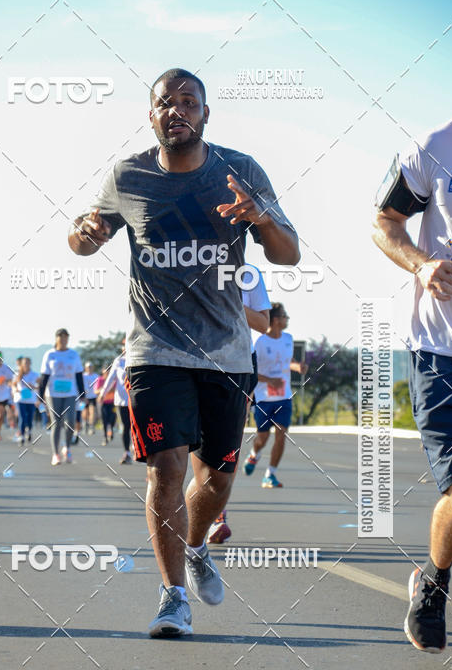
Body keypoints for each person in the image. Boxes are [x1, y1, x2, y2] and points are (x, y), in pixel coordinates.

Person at [68, 67, 299, 636]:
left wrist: (260, 217)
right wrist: (84, 234)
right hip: (154, 348)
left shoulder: (240, 171)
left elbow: (288, 254)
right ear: (151, 116)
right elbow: (81, 237)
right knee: (165, 471)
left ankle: (196, 546)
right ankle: (172, 596)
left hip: (225, 352)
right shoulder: (127, 176)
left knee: (216, 481)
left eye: (188, 102)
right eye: (164, 103)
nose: (177, 110)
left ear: (204, 114)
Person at [372, 115, 452, 657]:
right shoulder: (436, 147)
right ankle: (432, 582)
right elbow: (384, 223)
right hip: (442, 351)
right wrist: (423, 264)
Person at [208, 264, 271, 544]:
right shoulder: (186, 260)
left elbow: (262, 323)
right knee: (187, 448)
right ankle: (192, 513)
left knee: (226, 445)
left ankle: (218, 516)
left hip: (240, 363)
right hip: (189, 360)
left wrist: (228, 300)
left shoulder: (249, 273)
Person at [242, 303, 306, 488]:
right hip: (264, 398)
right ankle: (254, 454)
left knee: (281, 435)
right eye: (285, 316)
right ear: (277, 319)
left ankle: (270, 474)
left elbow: (288, 361)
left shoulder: (288, 338)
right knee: (262, 438)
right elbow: (252, 371)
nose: (287, 320)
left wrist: (298, 367)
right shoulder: (260, 343)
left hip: (284, 397)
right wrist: (270, 380)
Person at [38, 329, 84, 465]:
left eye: (66, 338)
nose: (63, 340)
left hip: (71, 393)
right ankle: (56, 454)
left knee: (70, 422)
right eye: (61, 337)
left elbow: (79, 375)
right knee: (56, 423)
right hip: (53, 394)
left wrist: (82, 394)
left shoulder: (73, 354)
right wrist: (40, 396)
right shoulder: (50, 355)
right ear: (56, 339)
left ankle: (67, 448)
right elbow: (44, 376)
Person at [99, 339, 132, 464]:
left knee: (136, 425)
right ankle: (126, 453)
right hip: (122, 400)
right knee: (125, 426)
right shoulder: (119, 361)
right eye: (124, 345)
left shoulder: (139, 358)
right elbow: (110, 379)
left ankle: (136, 448)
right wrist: (103, 393)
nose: (126, 347)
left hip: (136, 400)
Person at [12, 356, 38, 445]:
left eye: (27, 363)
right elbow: (13, 384)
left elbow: (40, 385)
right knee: (22, 418)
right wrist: (15, 389)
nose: (26, 364)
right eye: (24, 363)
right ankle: (22, 436)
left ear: (30, 364)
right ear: (22, 364)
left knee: (30, 418)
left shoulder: (34, 374)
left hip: (31, 400)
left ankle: (29, 431)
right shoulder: (18, 375)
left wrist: (34, 387)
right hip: (20, 399)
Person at [83, 362, 99, 433]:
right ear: (86, 368)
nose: (89, 368)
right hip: (85, 397)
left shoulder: (96, 376)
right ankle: (85, 424)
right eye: (88, 367)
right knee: (85, 412)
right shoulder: (83, 376)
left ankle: (91, 426)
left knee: (92, 411)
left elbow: (98, 385)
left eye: (90, 367)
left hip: (93, 396)